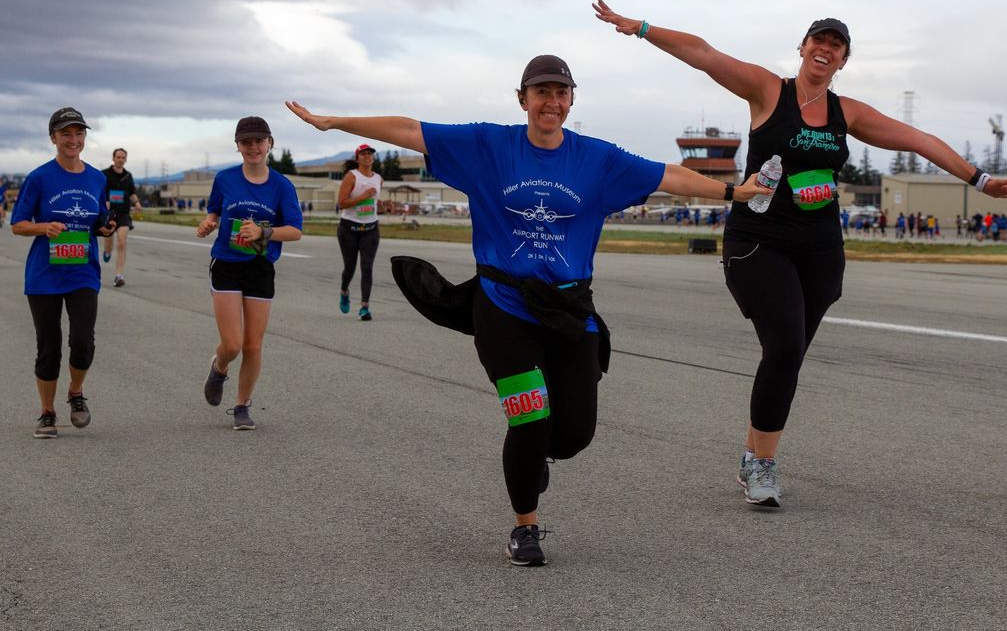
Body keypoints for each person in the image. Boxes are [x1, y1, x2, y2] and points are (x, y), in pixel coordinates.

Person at [286, 53, 769, 566]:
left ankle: (536, 455)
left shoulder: (596, 159)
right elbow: (409, 129)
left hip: (568, 308)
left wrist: (733, 193)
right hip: (502, 307)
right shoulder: (488, 146)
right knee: (530, 413)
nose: (552, 102)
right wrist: (333, 120)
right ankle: (525, 526)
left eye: (561, 93)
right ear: (523, 99)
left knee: (575, 433)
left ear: (571, 101)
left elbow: (668, 174)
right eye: (541, 92)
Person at [592, 0, 1007, 509]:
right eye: (818, 40)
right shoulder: (766, 91)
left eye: (836, 46)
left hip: (820, 249)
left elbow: (916, 139)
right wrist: (641, 27)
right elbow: (704, 53)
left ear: (843, 62)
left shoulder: (849, 114)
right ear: (802, 48)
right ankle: (762, 464)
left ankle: (753, 451)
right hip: (758, 240)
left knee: (790, 355)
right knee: (782, 346)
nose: (825, 49)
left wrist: (977, 179)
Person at [10, 108, 117, 438]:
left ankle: (75, 392)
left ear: (85, 137)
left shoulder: (97, 178)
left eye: (79, 133)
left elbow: (98, 218)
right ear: (53, 137)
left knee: (83, 342)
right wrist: (44, 227)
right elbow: (18, 224)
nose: (73, 140)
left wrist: (105, 226)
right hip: (44, 275)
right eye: (66, 134)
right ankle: (47, 412)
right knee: (49, 347)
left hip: (83, 272)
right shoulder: (40, 178)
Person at [196, 117, 303, 431]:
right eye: (246, 142)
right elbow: (214, 209)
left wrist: (263, 231)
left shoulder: (282, 185)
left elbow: (295, 231)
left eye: (259, 141)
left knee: (253, 345)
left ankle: (241, 405)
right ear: (238, 146)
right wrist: (209, 221)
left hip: (260, 267)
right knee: (232, 344)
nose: (253, 147)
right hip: (227, 265)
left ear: (270, 142)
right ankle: (219, 368)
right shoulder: (225, 178)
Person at [335, 144, 383, 319]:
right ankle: (344, 290)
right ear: (358, 158)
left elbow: (374, 204)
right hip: (349, 229)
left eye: (370, 154)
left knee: (367, 267)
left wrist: (385, 206)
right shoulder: (352, 177)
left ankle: (365, 307)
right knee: (350, 267)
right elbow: (342, 203)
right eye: (364, 154)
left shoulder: (378, 178)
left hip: (370, 229)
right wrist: (363, 196)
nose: (368, 156)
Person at [101, 148, 143, 287]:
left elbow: (132, 192)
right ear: (113, 158)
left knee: (121, 242)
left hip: (124, 213)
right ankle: (107, 251)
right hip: (108, 214)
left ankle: (119, 276)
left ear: (126, 159)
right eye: (118, 157)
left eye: (123, 157)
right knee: (109, 244)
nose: (120, 159)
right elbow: (99, 192)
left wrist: (136, 203)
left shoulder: (128, 176)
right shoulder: (104, 175)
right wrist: (103, 201)